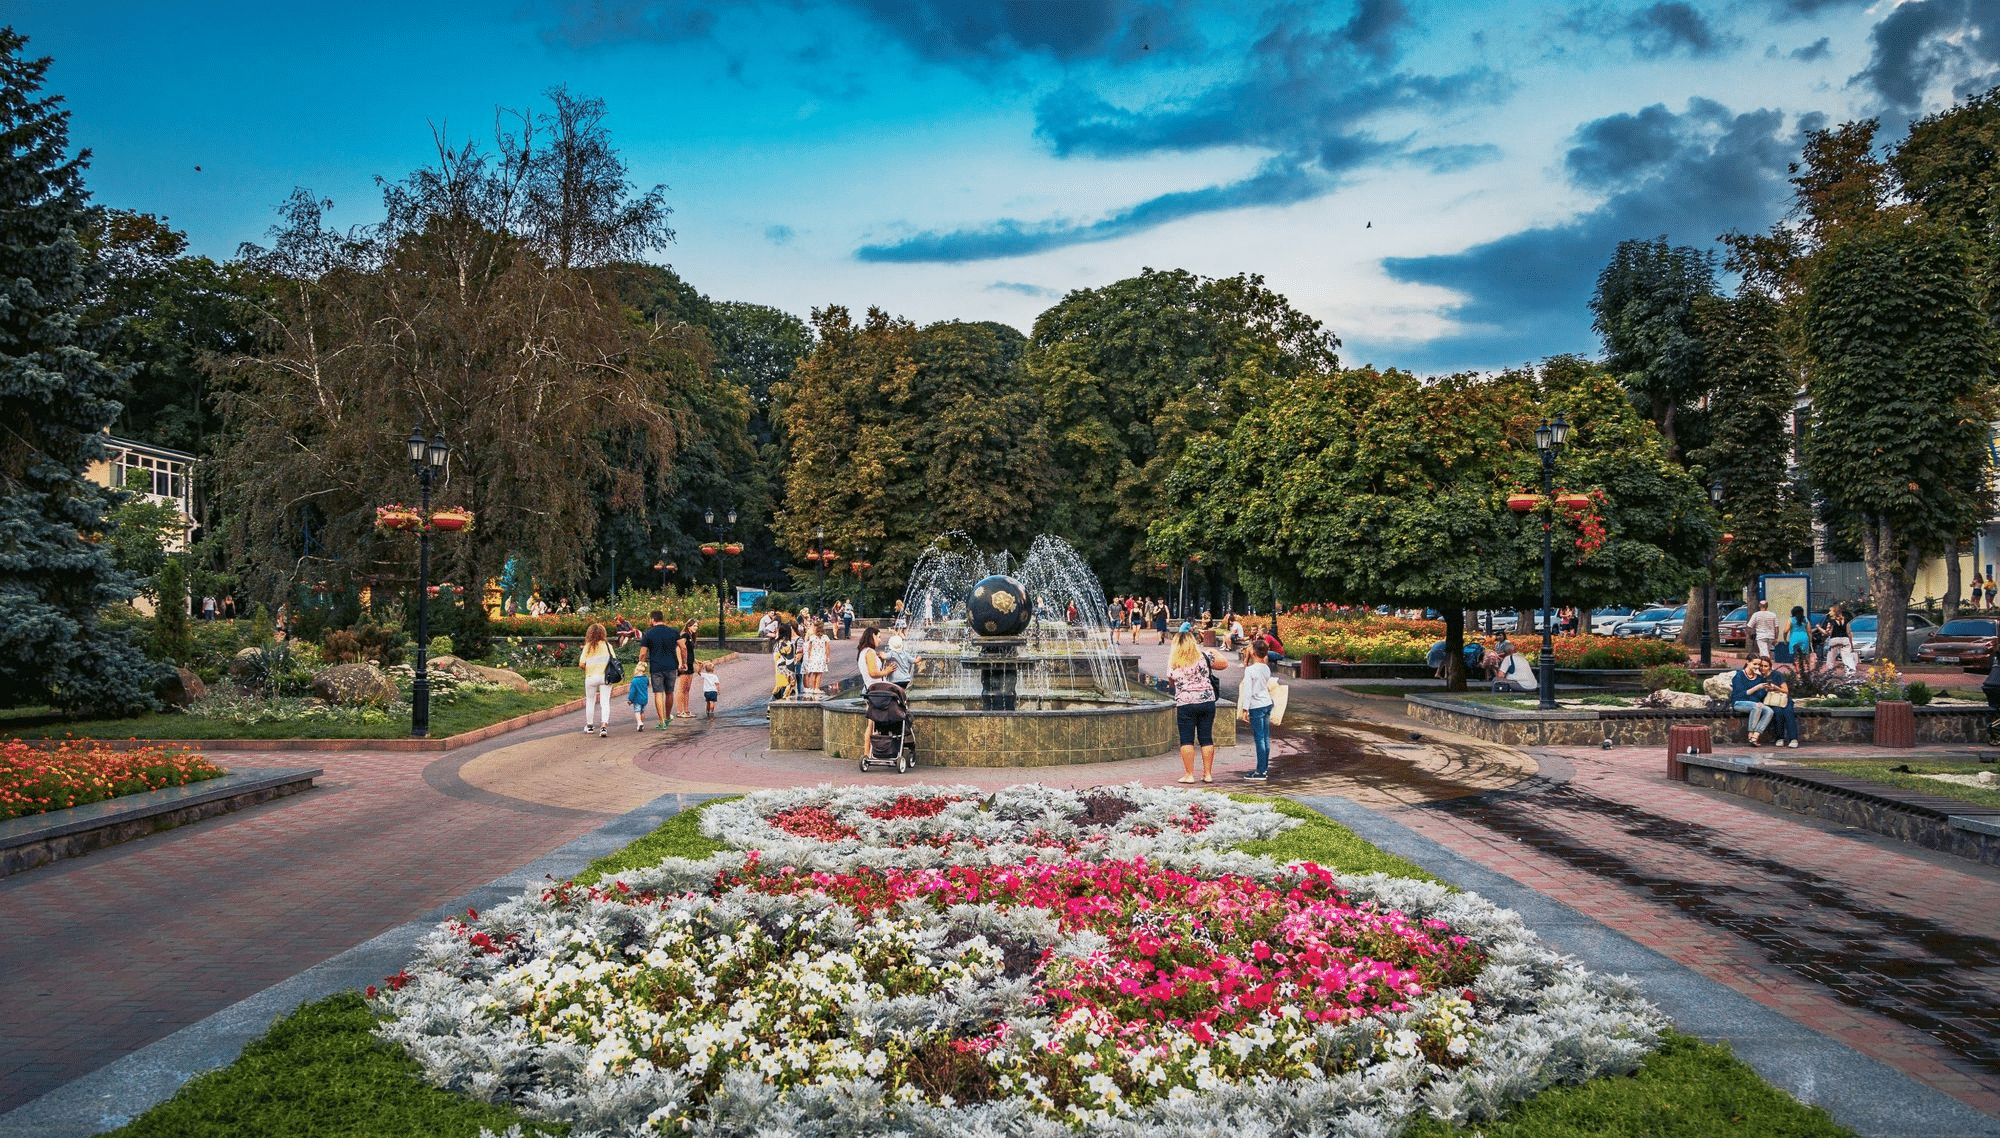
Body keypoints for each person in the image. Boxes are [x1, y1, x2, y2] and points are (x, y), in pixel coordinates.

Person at [1168, 626, 1225, 783]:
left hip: (1186, 703)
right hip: (1207, 701)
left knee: (1186, 739)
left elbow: (1171, 682)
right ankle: (1207, 774)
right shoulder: (1204, 656)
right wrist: (1214, 650)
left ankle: (1189, 775)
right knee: (1206, 737)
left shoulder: (1174, 661)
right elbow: (1224, 664)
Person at [1239, 639, 1275, 781]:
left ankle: (1260, 771)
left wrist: (1245, 708)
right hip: (1266, 703)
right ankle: (1264, 768)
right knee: (1265, 737)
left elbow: (1248, 691)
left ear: (1253, 652)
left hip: (1256, 705)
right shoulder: (1266, 668)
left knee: (1259, 738)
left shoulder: (1250, 670)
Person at [639, 611, 679, 727]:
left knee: (658, 693)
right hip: (671, 666)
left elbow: (643, 652)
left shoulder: (648, 633)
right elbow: (682, 646)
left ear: (652, 619)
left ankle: (661, 721)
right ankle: (667, 716)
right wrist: (683, 662)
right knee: (670, 692)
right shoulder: (672, 631)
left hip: (656, 667)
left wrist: (641, 663)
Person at [578, 623, 613, 738]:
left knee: (590, 701)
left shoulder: (588, 647)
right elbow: (614, 660)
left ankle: (590, 726)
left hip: (591, 677)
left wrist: (588, 666)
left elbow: (581, 664)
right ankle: (603, 726)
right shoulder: (607, 645)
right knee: (605, 702)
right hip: (605, 677)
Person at [674, 618, 699, 717]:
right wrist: (681, 663)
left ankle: (686, 710)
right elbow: (678, 648)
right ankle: (680, 711)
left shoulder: (690, 636)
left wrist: (695, 660)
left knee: (687, 689)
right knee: (681, 689)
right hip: (684, 665)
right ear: (689, 626)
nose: (696, 628)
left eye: (697, 626)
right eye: (694, 626)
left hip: (689, 664)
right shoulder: (684, 635)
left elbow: (689, 651)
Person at [801, 617, 830, 699]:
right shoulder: (825, 637)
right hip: (821, 657)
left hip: (814, 657)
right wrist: (827, 657)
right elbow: (827, 648)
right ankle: (816, 687)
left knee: (814, 672)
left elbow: (809, 648)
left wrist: (809, 656)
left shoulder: (813, 637)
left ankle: (813, 687)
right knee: (819, 673)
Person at [772, 620, 800, 699]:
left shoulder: (776, 644)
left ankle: (772, 704)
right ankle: (785, 700)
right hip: (788, 668)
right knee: (790, 685)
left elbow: (775, 656)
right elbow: (792, 657)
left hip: (779, 668)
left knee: (779, 686)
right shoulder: (790, 644)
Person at [1824, 605, 1856, 673]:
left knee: (1831, 657)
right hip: (1845, 639)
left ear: (1834, 612)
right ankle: (1850, 672)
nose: (1829, 612)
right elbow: (1848, 632)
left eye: (1830, 611)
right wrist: (1851, 644)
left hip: (1834, 640)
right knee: (1847, 657)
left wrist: (1819, 628)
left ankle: (1830, 672)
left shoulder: (1831, 621)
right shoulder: (1845, 620)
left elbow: (1828, 633)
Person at [1785, 605, 1814, 670]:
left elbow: (1785, 631)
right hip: (1804, 638)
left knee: (1796, 657)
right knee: (1806, 657)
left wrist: (1785, 638)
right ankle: (1807, 670)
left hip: (1794, 638)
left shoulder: (1791, 620)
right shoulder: (1805, 619)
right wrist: (1810, 640)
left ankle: (1797, 672)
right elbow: (1809, 631)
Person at [626, 659, 652, 731]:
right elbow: (647, 686)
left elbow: (632, 692)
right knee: (642, 711)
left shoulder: (634, 680)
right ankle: (642, 722)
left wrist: (630, 700)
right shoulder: (646, 679)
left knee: (637, 711)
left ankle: (639, 723)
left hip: (637, 699)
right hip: (644, 698)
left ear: (636, 670)